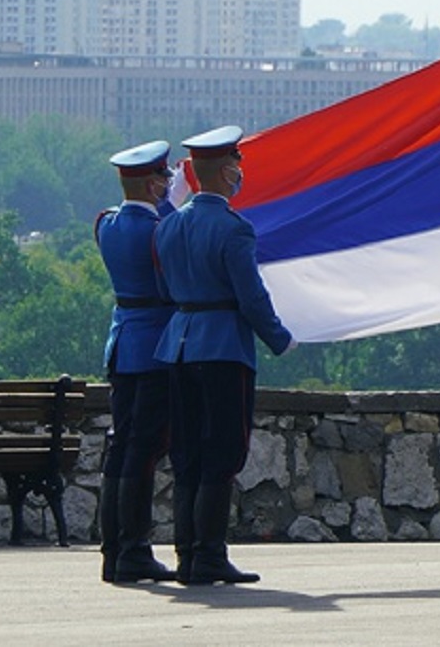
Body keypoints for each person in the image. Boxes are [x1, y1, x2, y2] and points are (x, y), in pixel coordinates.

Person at [153, 125, 296, 585]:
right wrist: (279, 337)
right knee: (223, 452)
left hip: (178, 344)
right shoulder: (234, 228)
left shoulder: (169, 225)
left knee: (187, 454)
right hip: (222, 347)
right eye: (237, 165)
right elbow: (250, 297)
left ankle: (187, 555)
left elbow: (163, 289)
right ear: (228, 169)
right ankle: (210, 554)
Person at [94, 139, 179, 583]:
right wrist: (171, 206)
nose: (169, 184)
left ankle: (114, 550)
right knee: (142, 452)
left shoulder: (106, 224)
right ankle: (134, 548)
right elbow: (170, 281)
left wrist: (164, 203)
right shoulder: (160, 229)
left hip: (122, 343)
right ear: (152, 184)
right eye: (164, 179)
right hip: (152, 348)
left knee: (122, 448)